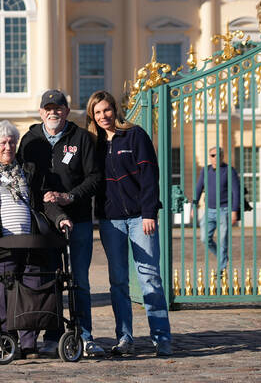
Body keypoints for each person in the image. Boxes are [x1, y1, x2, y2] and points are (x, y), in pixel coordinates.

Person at [86, 90, 173, 357]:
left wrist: (149, 212)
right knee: (119, 282)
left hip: (139, 218)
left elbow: (149, 175)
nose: (103, 116)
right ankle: (125, 337)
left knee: (150, 278)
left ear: (115, 110)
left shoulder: (135, 135)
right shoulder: (93, 143)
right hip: (111, 221)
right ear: (93, 115)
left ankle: (161, 338)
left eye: (107, 110)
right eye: (98, 112)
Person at [17, 89, 102, 357]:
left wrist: (69, 196)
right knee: (48, 279)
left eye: (58, 108)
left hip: (77, 219)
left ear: (66, 110)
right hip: (42, 223)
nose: (53, 112)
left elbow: (95, 177)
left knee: (79, 281)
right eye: (48, 108)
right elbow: (19, 176)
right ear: (41, 112)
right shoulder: (30, 139)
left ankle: (84, 335)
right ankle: (51, 334)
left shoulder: (81, 138)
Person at [0, 120, 73, 359]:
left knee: (31, 290)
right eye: (3, 143)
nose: (8, 147)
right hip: (0, 245)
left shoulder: (29, 170)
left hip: (31, 243)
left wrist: (60, 217)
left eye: (12, 142)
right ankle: (6, 340)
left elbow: (43, 200)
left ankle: (29, 344)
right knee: (2, 293)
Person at [194, 146, 242, 275]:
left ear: (222, 156)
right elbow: (199, 188)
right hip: (209, 211)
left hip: (224, 210)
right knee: (205, 238)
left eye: (217, 155)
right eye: (212, 155)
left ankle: (221, 269)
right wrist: (194, 205)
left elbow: (236, 192)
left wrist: (234, 211)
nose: (215, 158)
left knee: (222, 240)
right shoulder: (205, 170)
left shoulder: (229, 171)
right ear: (209, 157)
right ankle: (223, 258)